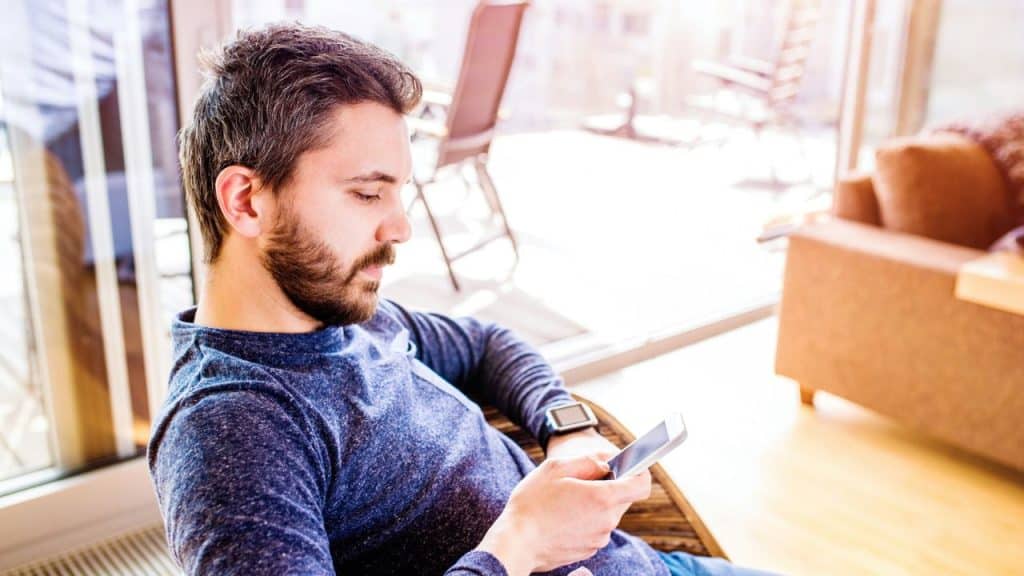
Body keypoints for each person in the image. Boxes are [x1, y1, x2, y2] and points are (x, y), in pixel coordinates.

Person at [147, 23, 780, 576]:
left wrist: (567, 429)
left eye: (399, 193)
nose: (400, 228)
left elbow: (485, 343)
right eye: (368, 195)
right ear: (246, 201)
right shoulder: (231, 432)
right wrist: (518, 547)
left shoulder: (346, 313)